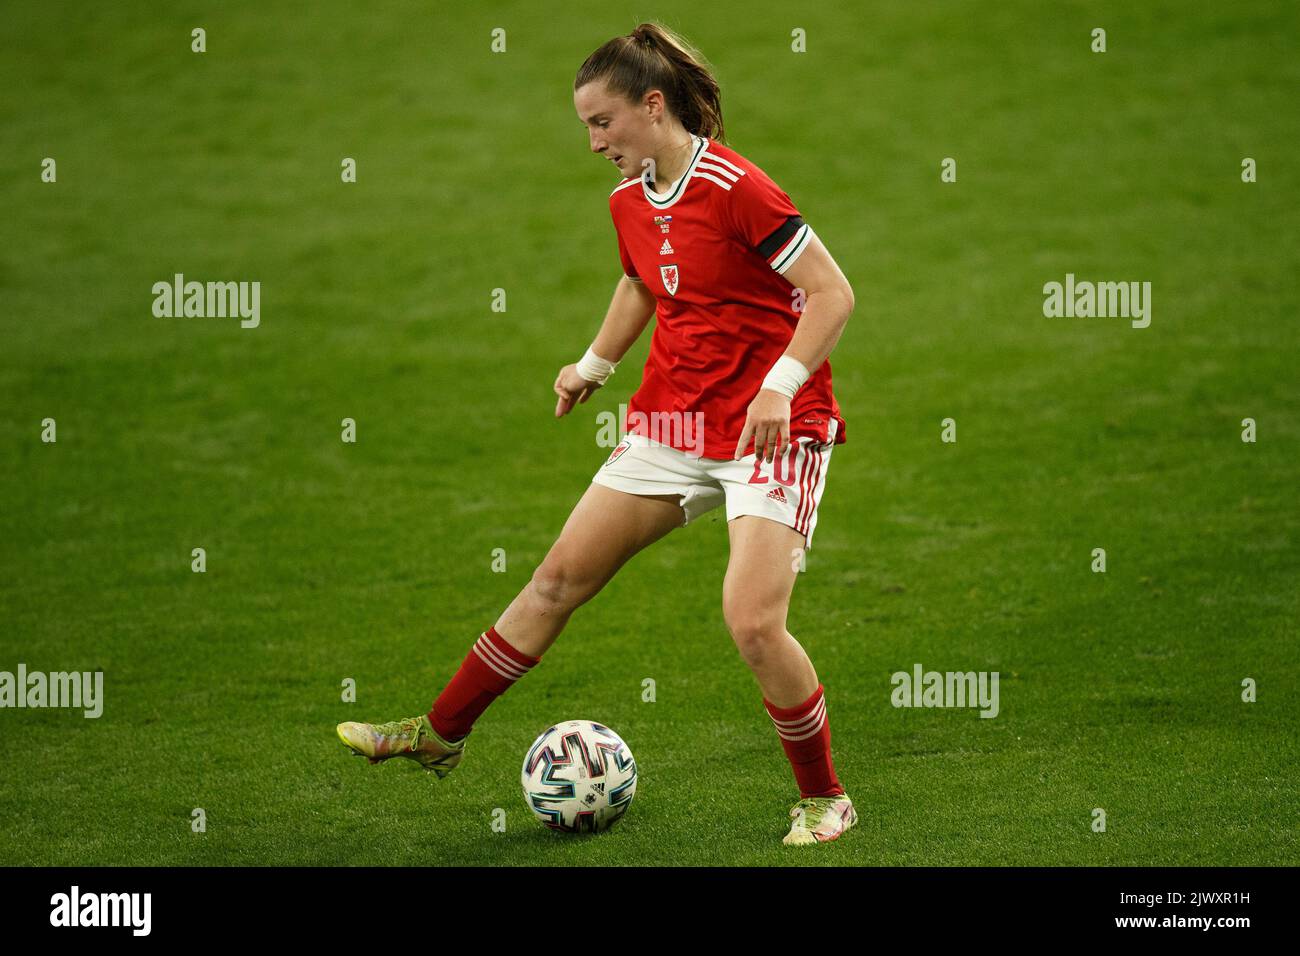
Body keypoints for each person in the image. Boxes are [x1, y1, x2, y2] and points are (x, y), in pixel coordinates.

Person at [337, 21, 857, 846]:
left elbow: (832, 293)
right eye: (586, 126)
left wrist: (779, 387)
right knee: (556, 580)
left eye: (602, 122)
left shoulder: (739, 189)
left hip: (771, 432)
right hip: (675, 420)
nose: (592, 143)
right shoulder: (630, 198)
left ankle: (825, 798)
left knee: (753, 623)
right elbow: (640, 282)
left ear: (653, 107)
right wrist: (593, 364)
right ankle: (439, 735)